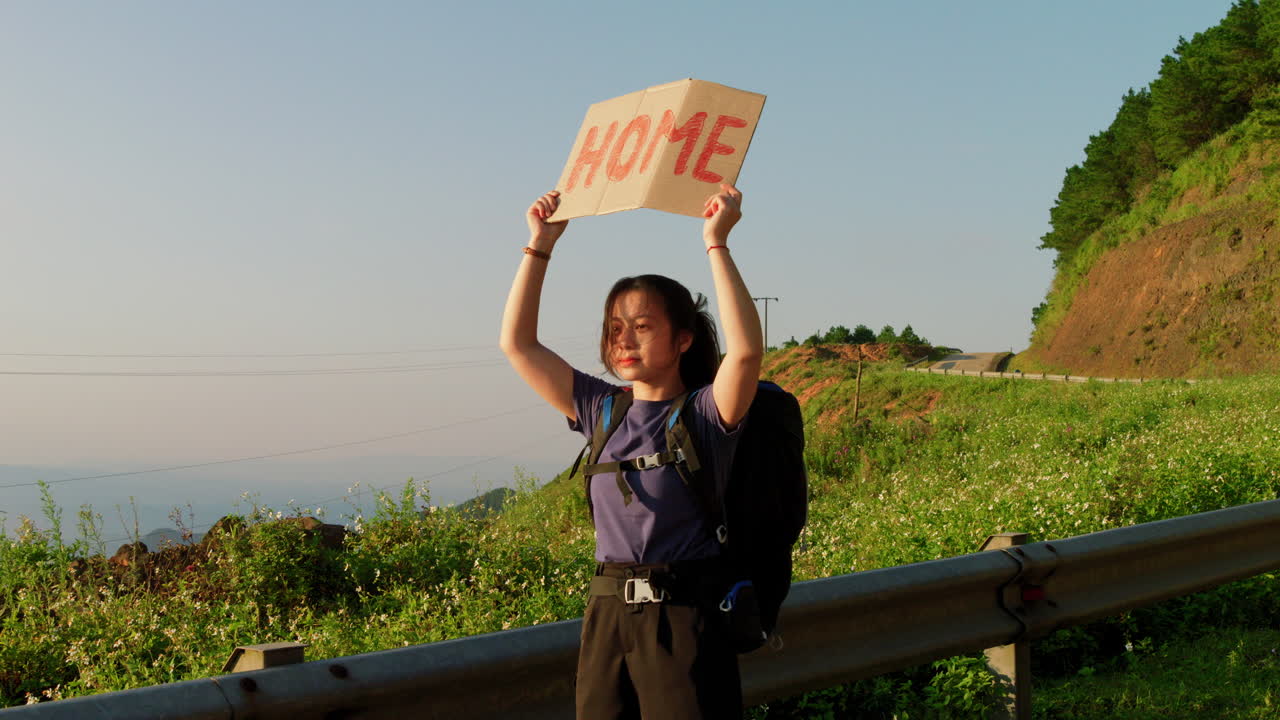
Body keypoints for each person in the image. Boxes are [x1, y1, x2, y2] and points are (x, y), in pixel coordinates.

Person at [499, 183, 764, 719]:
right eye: (615, 328)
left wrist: (717, 243)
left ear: (683, 339)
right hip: (606, 614)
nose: (624, 340)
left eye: (643, 327)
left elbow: (747, 352)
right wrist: (539, 246)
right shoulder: (601, 409)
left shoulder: (706, 415)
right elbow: (518, 345)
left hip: (684, 614)